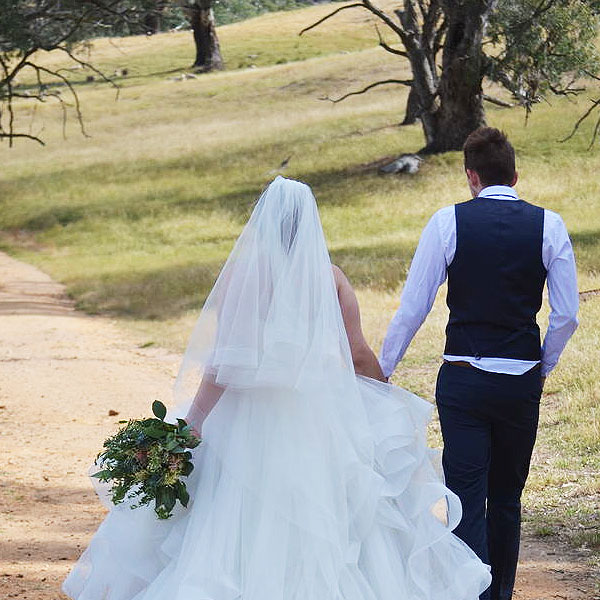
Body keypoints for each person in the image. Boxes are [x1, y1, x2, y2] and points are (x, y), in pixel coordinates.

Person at [63, 176, 491, 600]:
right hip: (318, 424)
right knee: (332, 525)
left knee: (229, 519)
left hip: (245, 423)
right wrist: (384, 390)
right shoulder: (332, 278)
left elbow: (221, 364)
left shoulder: (243, 278)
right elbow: (358, 353)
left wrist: (192, 423)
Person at [380, 128, 579, 600]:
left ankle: (469, 593)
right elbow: (567, 314)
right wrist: (541, 365)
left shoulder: (447, 222)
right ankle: (502, 593)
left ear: (471, 176)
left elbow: (414, 306)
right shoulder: (549, 225)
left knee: (467, 497)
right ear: (514, 175)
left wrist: (383, 367)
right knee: (507, 498)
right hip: (520, 384)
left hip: (464, 381)